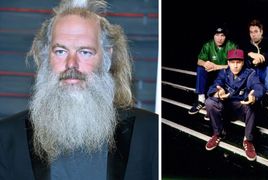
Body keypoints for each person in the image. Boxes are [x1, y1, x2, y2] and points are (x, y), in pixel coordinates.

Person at [0, 0, 158, 179]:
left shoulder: (152, 134)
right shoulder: (6, 139)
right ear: (45, 55)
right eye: (60, 51)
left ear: (107, 57)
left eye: (85, 52)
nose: (71, 64)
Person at [204, 49, 265, 161]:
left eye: (238, 62)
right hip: (226, 108)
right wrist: (218, 93)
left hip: (242, 108)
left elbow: (258, 86)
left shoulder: (250, 73)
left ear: (243, 62)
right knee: (209, 102)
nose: (235, 66)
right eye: (232, 62)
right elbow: (213, 86)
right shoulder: (223, 72)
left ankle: (248, 140)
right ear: (228, 63)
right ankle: (217, 134)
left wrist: (254, 96)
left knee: (254, 104)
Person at [188, 25, 237, 117]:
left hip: (225, 73)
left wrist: (217, 67)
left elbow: (235, 65)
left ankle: (214, 106)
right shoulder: (208, 45)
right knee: (200, 68)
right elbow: (199, 60)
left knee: (230, 72)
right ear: (213, 36)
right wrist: (205, 63)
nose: (219, 38)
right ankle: (201, 100)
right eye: (217, 35)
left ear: (226, 37)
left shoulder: (231, 46)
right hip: (210, 73)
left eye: (222, 35)